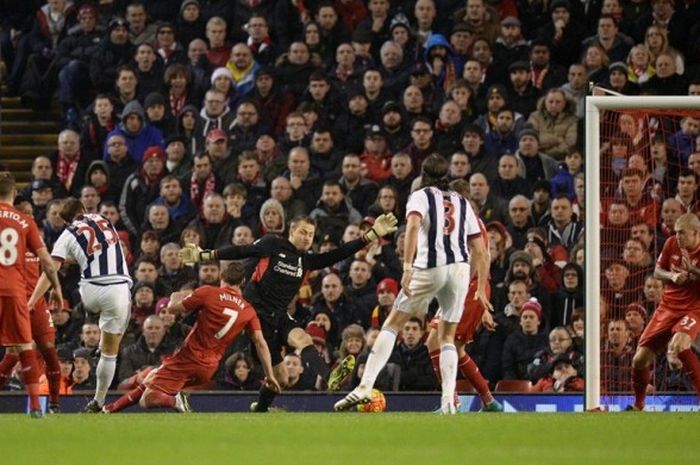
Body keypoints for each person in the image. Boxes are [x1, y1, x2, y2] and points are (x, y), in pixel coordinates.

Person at [179, 213, 398, 412]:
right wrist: (204, 255)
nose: (307, 237)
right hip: (256, 316)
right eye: (303, 232)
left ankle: (329, 377)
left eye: (311, 234)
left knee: (297, 349)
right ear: (292, 231)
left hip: (280, 315)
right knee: (279, 378)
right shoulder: (273, 244)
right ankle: (260, 407)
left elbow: (339, 253)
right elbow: (243, 250)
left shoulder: (307, 261)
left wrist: (371, 235)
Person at [335, 154, 490, 414]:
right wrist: (482, 289)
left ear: (423, 174)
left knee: (393, 323)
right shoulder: (463, 202)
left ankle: (365, 385)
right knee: (447, 337)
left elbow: (414, 227)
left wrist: (407, 267)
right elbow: (481, 251)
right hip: (460, 271)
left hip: (430, 266)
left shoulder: (420, 196)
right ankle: (448, 403)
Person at [104, 263, 280, 413]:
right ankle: (109, 409)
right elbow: (260, 343)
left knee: (147, 399)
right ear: (242, 281)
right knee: (152, 376)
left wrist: (174, 297)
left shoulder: (209, 293)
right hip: (210, 367)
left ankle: (177, 401)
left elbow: (172, 310)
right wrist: (270, 375)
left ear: (221, 276)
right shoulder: (248, 310)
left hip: (188, 358)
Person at [28, 198, 131, 413]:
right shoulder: (104, 220)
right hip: (118, 288)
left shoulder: (67, 234)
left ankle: (91, 318)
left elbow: (51, 270)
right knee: (111, 351)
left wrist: (32, 301)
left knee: (89, 296)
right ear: (83, 210)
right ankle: (99, 401)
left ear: (66, 221)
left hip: (90, 290)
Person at [424, 178, 501, 411]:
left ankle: (453, 400)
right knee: (454, 348)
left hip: (469, 288)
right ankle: (489, 402)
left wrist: (478, 293)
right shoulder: (464, 221)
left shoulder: (468, 222)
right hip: (464, 287)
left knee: (437, 341)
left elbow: (483, 256)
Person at [0, 172, 62, 418]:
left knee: (22, 350)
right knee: (24, 346)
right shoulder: (24, 221)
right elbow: (47, 260)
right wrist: (56, 287)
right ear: (14, 193)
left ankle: (50, 404)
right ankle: (36, 406)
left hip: (25, 298)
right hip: (15, 292)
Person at [631, 213, 700, 410]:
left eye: (682, 233)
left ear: (695, 233)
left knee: (679, 345)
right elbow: (657, 271)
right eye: (676, 233)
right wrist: (673, 275)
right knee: (639, 359)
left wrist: (692, 271)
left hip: (694, 308)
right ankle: (638, 405)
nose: (678, 237)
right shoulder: (671, 243)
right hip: (667, 307)